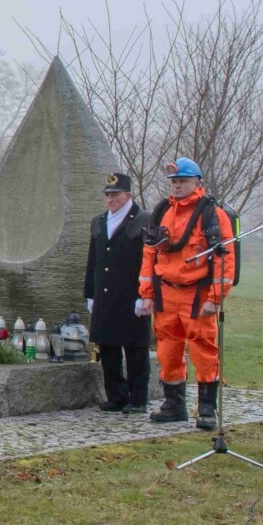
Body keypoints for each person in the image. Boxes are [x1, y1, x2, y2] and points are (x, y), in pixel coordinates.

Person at [136, 158, 237, 426]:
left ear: (197, 182)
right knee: (168, 351)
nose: (178, 185)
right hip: (165, 294)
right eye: (174, 181)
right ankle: (173, 405)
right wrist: (146, 293)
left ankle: (206, 409)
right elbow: (149, 254)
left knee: (204, 350)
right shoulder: (162, 212)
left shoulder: (213, 215)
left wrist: (215, 298)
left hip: (197, 296)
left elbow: (224, 260)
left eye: (183, 181)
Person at [85, 172, 152, 414]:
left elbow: (150, 261)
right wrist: (90, 293)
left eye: (115, 195)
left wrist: (146, 295)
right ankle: (116, 395)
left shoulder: (144, 221)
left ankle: (138, 398)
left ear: (128, 195)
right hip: (105, 294)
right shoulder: (99, 222)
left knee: (135, 349)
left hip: (133, 294)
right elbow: (93, 261)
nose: (110, 200)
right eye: (107, 195)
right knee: (108, 348)